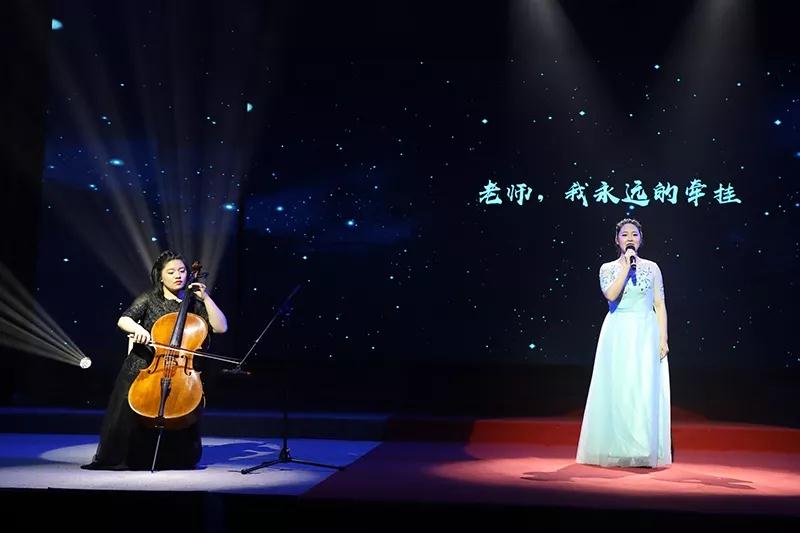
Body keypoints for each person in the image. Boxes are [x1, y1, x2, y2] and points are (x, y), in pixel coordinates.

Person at [82, 250, 228, 470]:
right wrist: (139, 330)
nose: (178, 275)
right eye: (171, 272)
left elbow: (220, 327)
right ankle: (128, 457)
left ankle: (171, 458)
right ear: (160, 276)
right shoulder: (149, 298)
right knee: (130, 413)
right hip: (145, 366)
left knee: (178, 410)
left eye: (182, 271)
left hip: (180, 370)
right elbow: (124, 320)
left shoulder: (194, 304)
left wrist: (205, 297)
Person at [576, 218, 671, 468]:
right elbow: (611, 294)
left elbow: (659, 304)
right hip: (617, 331)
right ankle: (614, 447)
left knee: (642, 387)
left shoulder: (652, 268)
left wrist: (663, 337)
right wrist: (626, 268)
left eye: (635, 234)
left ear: (641, 239)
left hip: (646, 331)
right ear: (617, 240)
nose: (630, 238)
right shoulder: (607, 268)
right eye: (625, 234)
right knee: (618, 387)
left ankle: (641, 449)